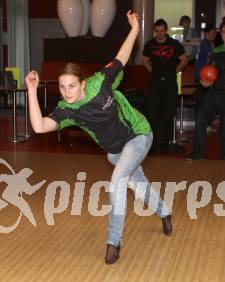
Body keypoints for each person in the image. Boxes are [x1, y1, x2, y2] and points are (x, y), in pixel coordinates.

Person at [25, 11, 172, 265]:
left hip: (138, 135)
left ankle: (113, 243)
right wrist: (31, 91)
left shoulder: (100, 83)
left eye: (71, 85)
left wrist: (135, 28)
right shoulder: (67, 110)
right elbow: (39, 127)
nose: (66, 91)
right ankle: (165, 212)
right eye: (62, 87)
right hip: (115, 152)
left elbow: (122, 57)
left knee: (117, 183)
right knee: (138, 185)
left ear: (83, 83)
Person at [142, 19, 188, 154]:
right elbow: (144, 60)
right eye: (157, 31)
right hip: (155, 83)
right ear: (154, 31)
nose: (160, 34)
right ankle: (152, 143)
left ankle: (164, 143)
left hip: (170, 83)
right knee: (152, 113)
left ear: (166, 30)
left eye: (162, 31)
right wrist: (152, 71)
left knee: (168, 113)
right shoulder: (150, 44)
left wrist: (175, 70)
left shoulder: (174, 44)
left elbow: (184, 59)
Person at [187, 21, 225, 160]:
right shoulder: (217, 50)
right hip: (214, 91)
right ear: (221, 33)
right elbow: (210, 71)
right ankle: (198, 154)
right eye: (224, 32)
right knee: (201, 116)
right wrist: (205, 81)